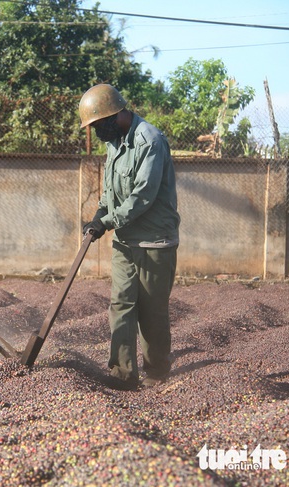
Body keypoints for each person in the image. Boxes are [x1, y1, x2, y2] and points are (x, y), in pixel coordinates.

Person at [78, 84, 180, 390]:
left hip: (154, 242)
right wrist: (99, 215)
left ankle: (157, 372)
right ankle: (122, 374)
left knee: (151, 311)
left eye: (97, 125)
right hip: (125, 240)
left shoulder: (150, 140)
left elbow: (142, 196)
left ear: (115, 115)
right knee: (120, 304)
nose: (96, 132)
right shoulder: (115, 143)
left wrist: (106, 222)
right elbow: (111, 191)